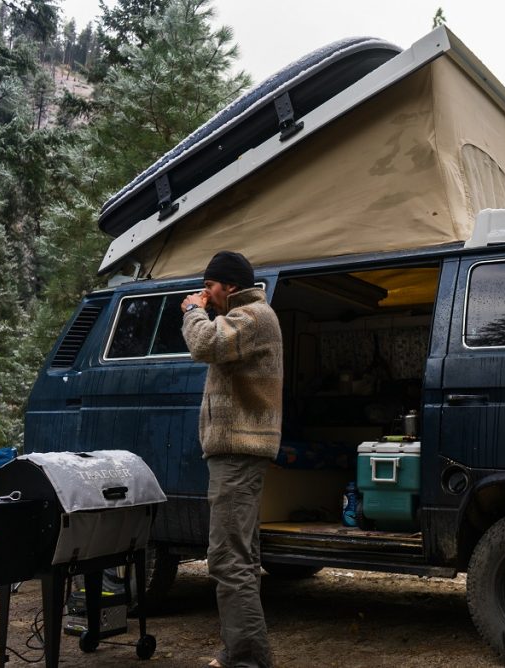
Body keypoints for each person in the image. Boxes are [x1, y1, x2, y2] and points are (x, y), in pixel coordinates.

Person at [181, 251, 283, 668]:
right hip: (236, 453)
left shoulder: (255, 317)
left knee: (227, 558)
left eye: (209, 288)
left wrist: (191, 311)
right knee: (241, 556)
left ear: (228, 286)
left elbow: (203, 343)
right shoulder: (244, 319)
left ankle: (247, 658)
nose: (205, 295)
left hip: (238, 454)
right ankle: (241, 651)